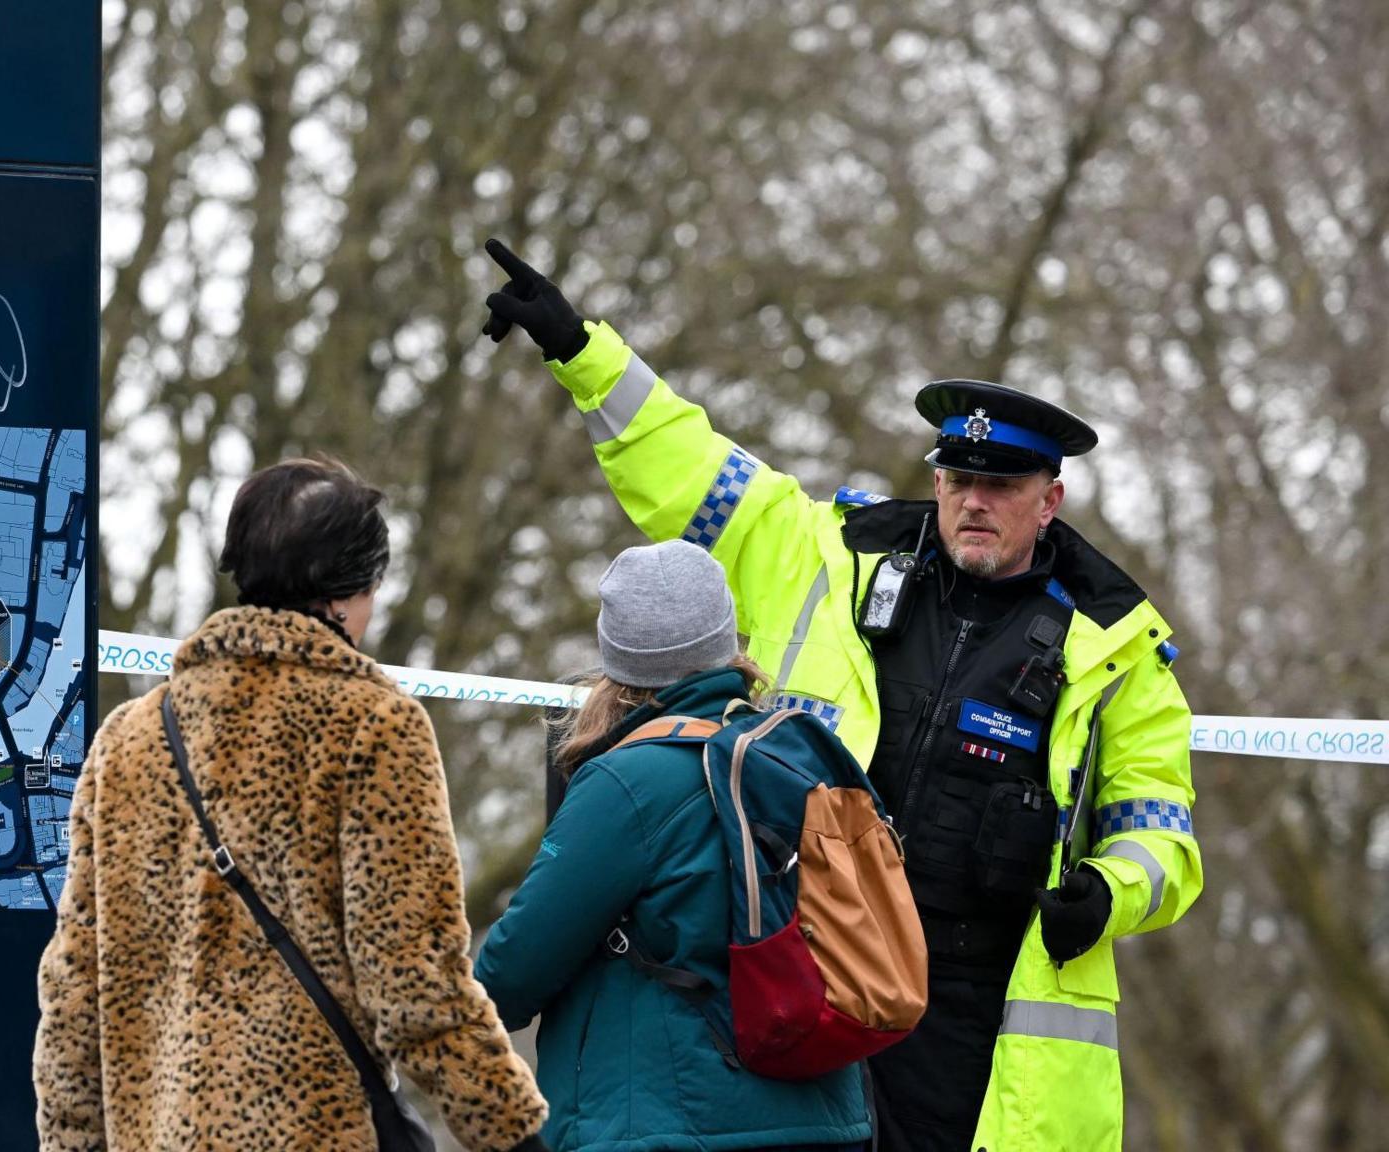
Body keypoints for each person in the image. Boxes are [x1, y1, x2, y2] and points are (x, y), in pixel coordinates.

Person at [479, 240, 1201, 1152]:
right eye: (958, 479)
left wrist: (1103, 892)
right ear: (937, 478)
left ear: (1049, 499)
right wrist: (581, 353)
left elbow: (1160, 827)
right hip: (819, 975)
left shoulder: (1118, 646)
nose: (974, 501)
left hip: (985, 1009)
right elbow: (697, 474)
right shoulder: (832, 553)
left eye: (1001, 485)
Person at [34, 455, 551, 1152]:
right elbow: (416, 987)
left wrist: (71, 1143)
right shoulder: (374, 726)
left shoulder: (127, 739)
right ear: (345, 592)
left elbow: (74, 994)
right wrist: (514, 1133)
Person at [475, 540, 875, 1151]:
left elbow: (515, 965)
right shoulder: (796, 754)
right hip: (827, 1117)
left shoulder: (627, 782)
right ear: (727, 638)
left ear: (617, 657)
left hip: (667, 1127)